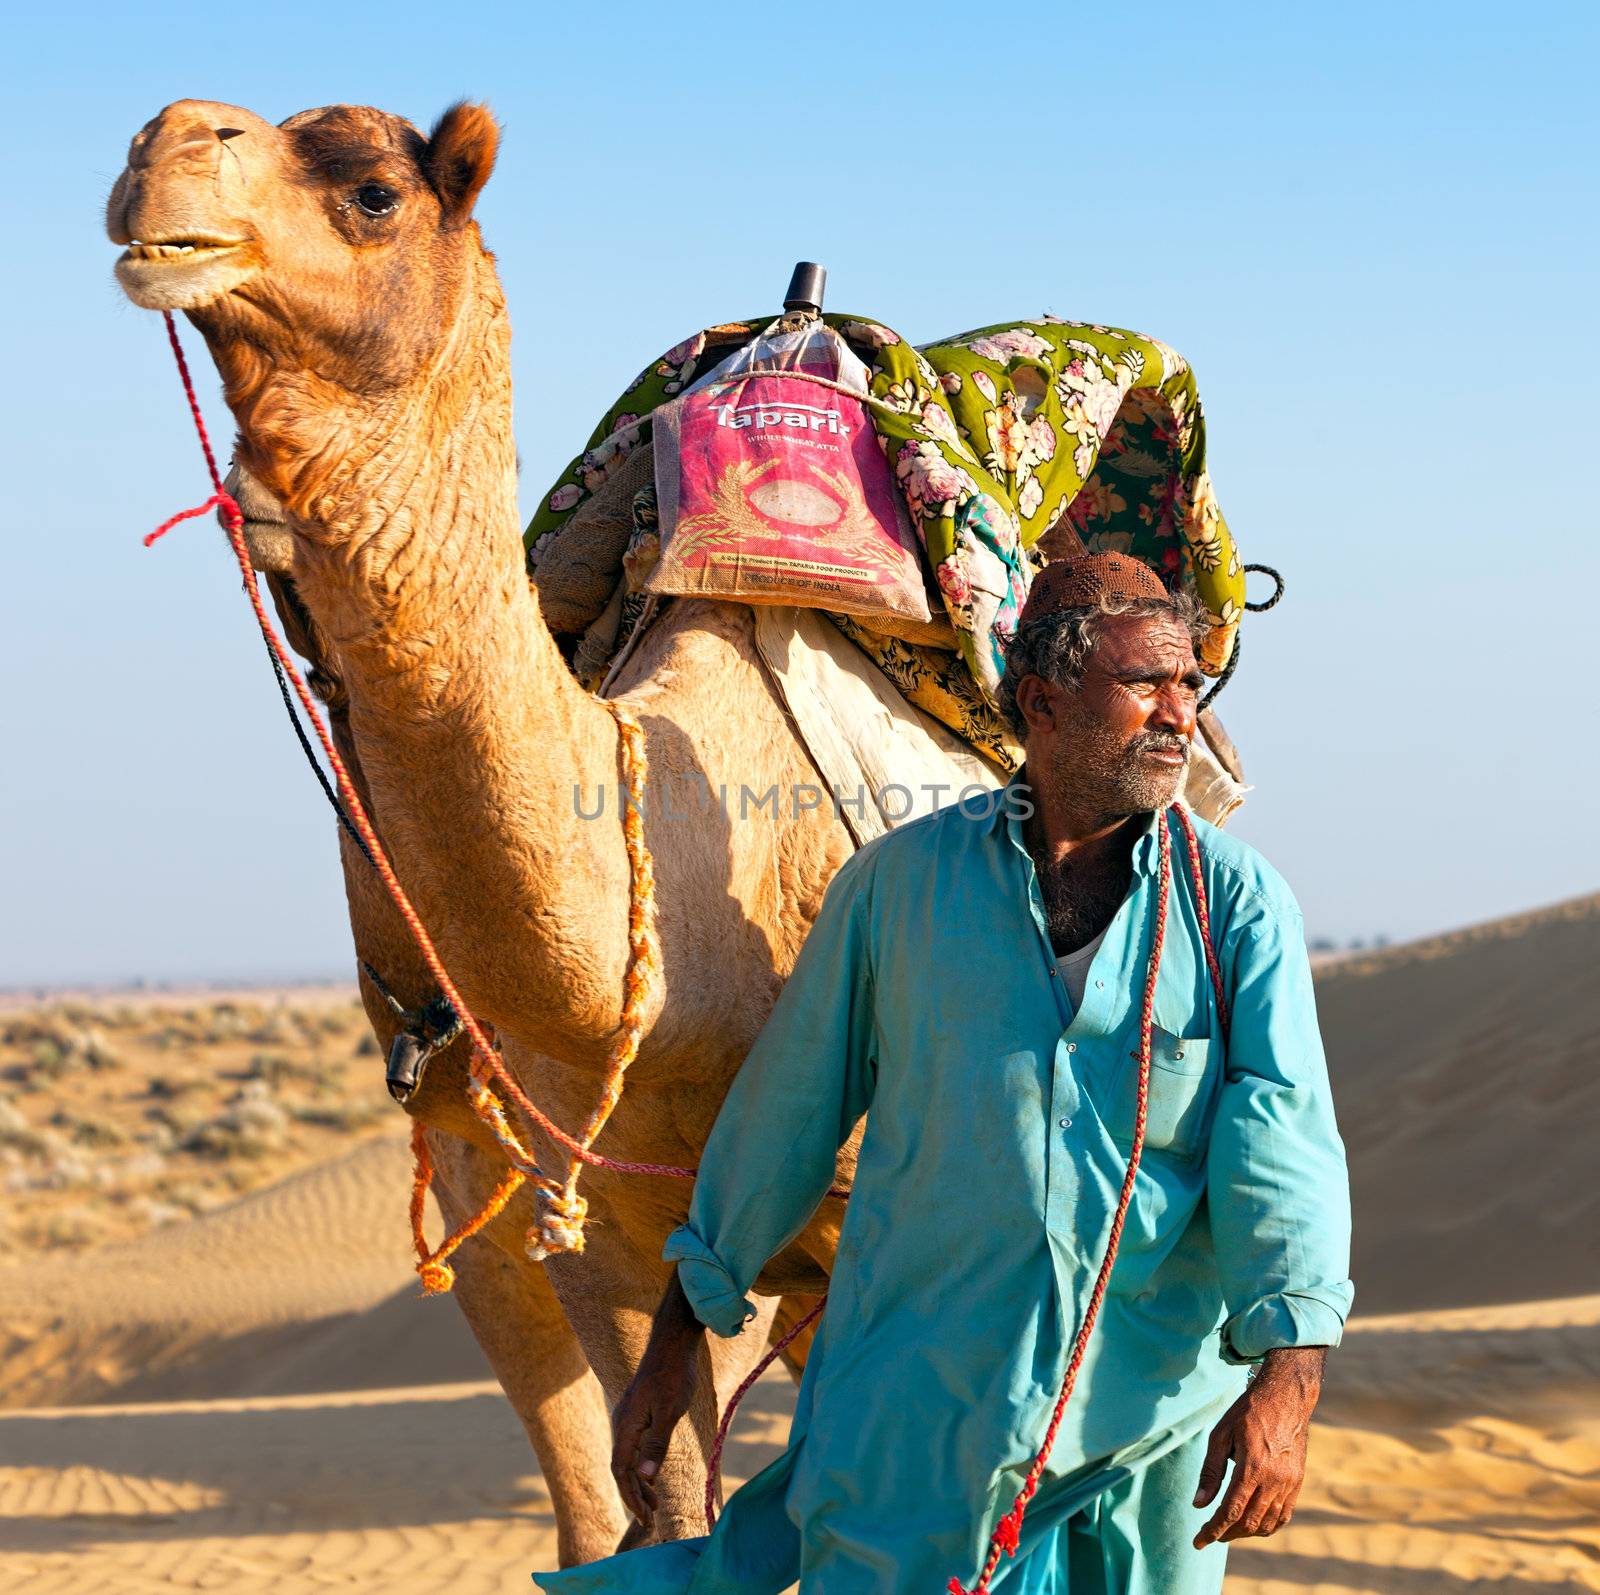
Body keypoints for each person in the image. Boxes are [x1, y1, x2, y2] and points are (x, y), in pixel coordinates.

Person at [533, 551, 1353, 1594]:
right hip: (909, 1422)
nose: (1179, 713)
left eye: (1189, 683)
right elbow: (783, 1115)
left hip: (1144, 1428)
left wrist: (1287, 1380)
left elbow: (1282, 1140)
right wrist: (675, 1341)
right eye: (1146, 682)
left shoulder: (1237, 906)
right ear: (1044, 702)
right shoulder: (896, 889)